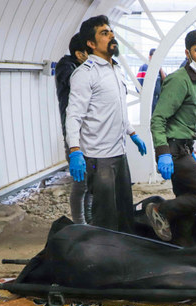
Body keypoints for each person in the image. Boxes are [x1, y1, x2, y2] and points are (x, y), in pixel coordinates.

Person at [65, 15, 147, 232]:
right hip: (99, 158)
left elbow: (117, 109)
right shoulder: (85, 74)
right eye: (104, 33)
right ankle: (103, 259)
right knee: (105, 217)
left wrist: (132, 133)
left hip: (119, 153)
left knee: (124, 212)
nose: (111, 35)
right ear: (91, 44)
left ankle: (126, 254)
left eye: (111, 31)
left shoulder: (116, 69)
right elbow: (73, 115)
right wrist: (75, 151)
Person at [147, 29, 196, 246]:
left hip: (183, 150)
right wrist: (163, 153)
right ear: (188, 53)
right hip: (173, 153)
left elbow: (181, 121)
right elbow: (158, 119)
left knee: (186, 206)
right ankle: (160, 209)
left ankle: (182, 249)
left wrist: (189, 146)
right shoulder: (179, 80)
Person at [55, 33, 92, 225]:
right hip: (76, 135)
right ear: (79, 54)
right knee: (81, 183)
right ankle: (80, 224)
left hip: (91, 134)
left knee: (90, 183)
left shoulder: (81, 67)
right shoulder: (67, 68)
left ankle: (89, 221)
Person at [136, 48, 167, 113]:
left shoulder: (159, 69)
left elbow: (165, 80)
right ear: (150, 57)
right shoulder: (144, 67)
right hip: (149, 100)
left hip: (158, 100)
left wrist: (160, 68)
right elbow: (138, 84)